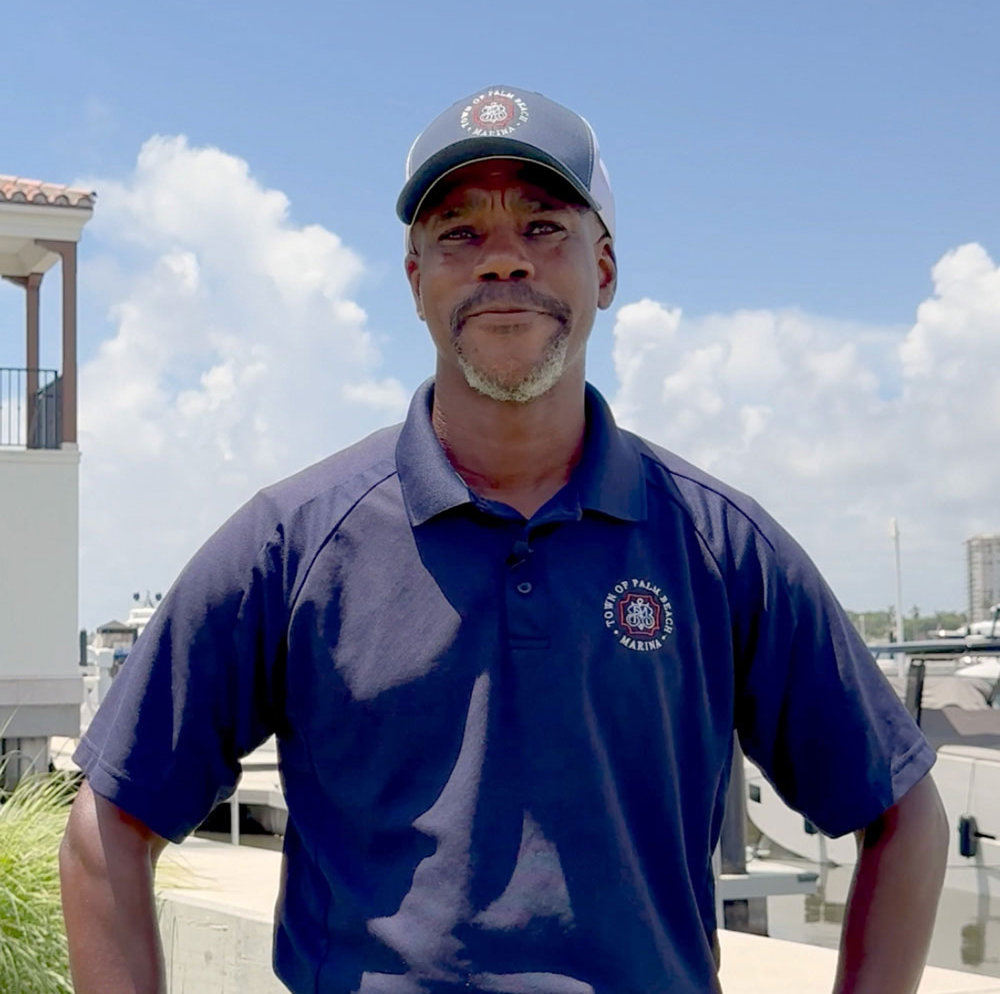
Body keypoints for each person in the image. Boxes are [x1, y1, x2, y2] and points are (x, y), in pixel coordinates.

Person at [60, 86, 948, 994]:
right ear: (415, 281)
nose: (502, 262)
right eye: (459, 233)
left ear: (603, 269)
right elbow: (110, 824)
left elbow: (902, 810)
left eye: (542, 226)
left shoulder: (719, 547)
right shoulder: (293, 544)